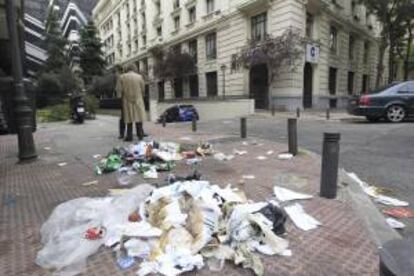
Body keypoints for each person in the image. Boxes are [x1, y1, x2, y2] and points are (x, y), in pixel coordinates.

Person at [115, 63, 146, 141]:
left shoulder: (121, 77)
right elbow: (143, 89)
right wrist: (140, 95)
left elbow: (119, 90)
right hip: (138, 99)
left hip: (127, 99)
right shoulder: (139, 77)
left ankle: (129, 136)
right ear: (134, 68)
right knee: (138, 117)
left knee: (129, 118)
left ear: (126, 69)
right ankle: (140, 134)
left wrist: (120, 99)